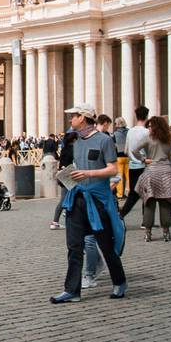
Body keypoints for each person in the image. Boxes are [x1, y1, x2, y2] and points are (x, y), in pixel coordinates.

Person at [51, 104, 127, 303]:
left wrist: (88, 173)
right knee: (74, 246)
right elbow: (78, 169)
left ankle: (119, 281)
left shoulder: (104, 140)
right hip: (77, 198)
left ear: (83, 118)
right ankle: (72, 290)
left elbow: (112, 170)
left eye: (73, 117)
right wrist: (66, 177)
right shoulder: (77, 143)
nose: (70, 120)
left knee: (105, 244)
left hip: (98, 201)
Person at [130, 116, 171, 241]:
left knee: (149, 203)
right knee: (165, 203)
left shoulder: (148, 138)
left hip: (152, 171)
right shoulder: (168, 139)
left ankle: (148, 232)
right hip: (165, 172)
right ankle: (166, 231)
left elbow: (134, 149)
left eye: (150, 126)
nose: (148, 128)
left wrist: (144, 159)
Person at [118, 107, 151, 219]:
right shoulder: (147, 132)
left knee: (133, 193)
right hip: (144, 165)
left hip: (132, 166)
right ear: (147, 116)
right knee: (146, 193)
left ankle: (122, 213)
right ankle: (146, 220)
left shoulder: (130, 131)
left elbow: (126, 150)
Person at [112, 117, 130, 199]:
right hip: (128, 156)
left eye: (115, 123)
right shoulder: (129, 132)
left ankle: (120, 194)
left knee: (120, 176)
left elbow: (113, 145)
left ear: (118, 124)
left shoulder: (115, 134)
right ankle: (129, 192)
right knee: (128, 176)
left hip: (119, 156)